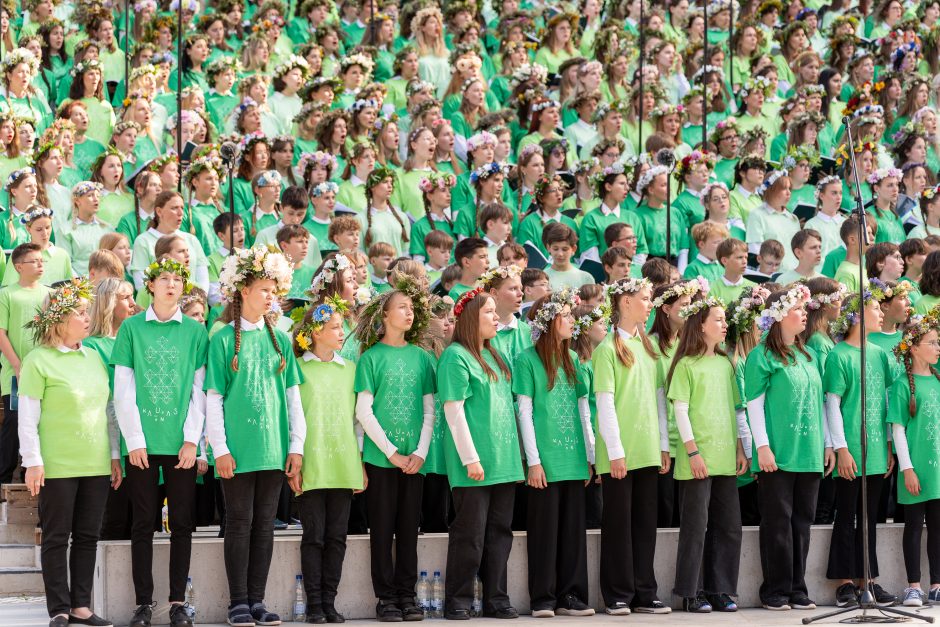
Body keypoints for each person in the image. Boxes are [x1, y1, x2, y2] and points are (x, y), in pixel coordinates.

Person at [204, 245, 305, 627]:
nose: (270, 296)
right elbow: (214, 399)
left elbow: (293, 398)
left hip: (274, 448)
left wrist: (296, 444)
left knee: (266, 524)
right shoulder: (222, 340)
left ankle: (258, 601)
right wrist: (222, 449)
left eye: (273, 290)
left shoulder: (280, 338)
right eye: (264, 289)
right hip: (238, 451)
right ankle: (238, 602)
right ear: (243, 290)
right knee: (239, 521)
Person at [112, 258, 209, 627]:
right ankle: (142, 603)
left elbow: (199, 390)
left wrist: (191, 440)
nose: (171, 284)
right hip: (142, 444)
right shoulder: (132, 329)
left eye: (178, 279)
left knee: (182, 522)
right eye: (164, 279)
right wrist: (134, 439)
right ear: (150, 285)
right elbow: (123, 389)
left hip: (180, 443)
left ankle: (177, 603)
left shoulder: (196, 333)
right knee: (142, 523)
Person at [18, 278, 119, 627]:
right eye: (79, 312)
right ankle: (59, 608)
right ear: (60, 320)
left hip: (95, 462)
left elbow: (109, 411)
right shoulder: (38, 360)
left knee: (89, 536)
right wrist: (32, 462)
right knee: (57, 536)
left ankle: (82, 606)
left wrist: (115, 456)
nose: (86, 317)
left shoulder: (94, 356)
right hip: (57, 465)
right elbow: (28, 416)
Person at [353, 277, 435, 621]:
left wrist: (419, 452)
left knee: (408, 532)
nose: (409, 312)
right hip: (381, 460)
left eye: (412, 308)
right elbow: (363, 411)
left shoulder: (422, 357)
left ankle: (407, 595)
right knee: (383, 530)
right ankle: (385, 598)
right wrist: (391, 453)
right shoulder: (371, 357)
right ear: (384, 314)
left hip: (414, 460)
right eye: (402, 306)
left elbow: (430, 410)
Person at [438, 289, 523, 620]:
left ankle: (496, 598)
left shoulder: (495, 353)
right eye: (489, 312)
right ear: (471, 317)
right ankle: (458, 599)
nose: (496, 317)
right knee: (469, 534)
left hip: (504, 460)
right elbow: (454, 411)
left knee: (500, 534)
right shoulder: (455, 356)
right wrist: (470, 458)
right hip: (475, 463)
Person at [744, 284, 829, 611]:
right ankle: (775, 590)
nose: (804, 315)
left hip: (808, 452)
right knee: (778, 522)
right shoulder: (761, 356)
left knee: (802, 523)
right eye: (797, 309)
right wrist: (762, 447)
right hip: (777, 454)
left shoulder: (807, 354)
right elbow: (754, 405)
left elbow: (820, 403)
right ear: (779, 316)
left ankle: (797, 587)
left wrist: (829, 444)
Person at [667, 295, 750, 613]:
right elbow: (681, 412)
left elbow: (736, 409)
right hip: (697, 460)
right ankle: (692, 591)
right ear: (699, 326)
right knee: (695, 526)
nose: (724, 324)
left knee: (729, 526)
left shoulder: (726, 363)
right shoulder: (686, 365)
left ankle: (722, 589)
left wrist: (742, 448)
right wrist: (692, 452)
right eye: (718, 319)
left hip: (726, 458)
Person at [514, 289, 594, 618]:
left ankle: (571, 597)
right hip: (544, 463)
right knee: (544, 533)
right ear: (550, 322)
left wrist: (590, 456)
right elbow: (524, 413)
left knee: (574, 532)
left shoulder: (573, 359)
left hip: (574, 461)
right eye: (567, 316)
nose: (573, 321)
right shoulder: (526, 360)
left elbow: (583, 411)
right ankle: (543, 599)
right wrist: (533, 461)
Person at [594, 277, 671, 615]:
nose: (649, 303)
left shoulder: (649, 347)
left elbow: (657, 400)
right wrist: (615, 451)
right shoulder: (607, 349)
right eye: (644, 298)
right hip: (620, 454)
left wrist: (663, 445)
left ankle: (645, 591)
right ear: (625, 302)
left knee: (644, 524)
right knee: (618, 525)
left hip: (647, 449)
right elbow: (605, 404)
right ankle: (617, 594)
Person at [823, 284, 897, 608]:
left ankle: (869, 579)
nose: (882, 313)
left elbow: (887, 399)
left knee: (870, 519)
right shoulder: (838, 355)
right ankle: (844, 583)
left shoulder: (880, 354)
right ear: (858, 316)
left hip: (877, 450)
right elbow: (833, 404)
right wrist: (841, 448)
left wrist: (891, 445)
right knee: (847, 515)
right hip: (850, 450)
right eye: (876, 309)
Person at [292, 296, 364, 624]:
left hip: (343, 462)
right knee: (314, 535)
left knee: (337, 536)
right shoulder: (297, 368)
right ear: (316, 332)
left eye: (343, 327)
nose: (342, 332)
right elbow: (292, 418)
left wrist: (360, 461)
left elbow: (357, 421)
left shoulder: (350, 369)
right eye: (335, 327)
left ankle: (330, 601)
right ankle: (314, 603)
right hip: (311, 463)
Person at [890, 314, 940, 607]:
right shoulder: (902, 385)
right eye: (932, 342)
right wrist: (907, 468)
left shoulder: (937, 380)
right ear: (914, 347)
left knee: (937, 527)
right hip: (915, 469)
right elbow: (898, 430)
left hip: (937, 470)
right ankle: (914, 586)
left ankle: (936, 584)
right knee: (913, 526)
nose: (937, 347)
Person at [0, 243, 52, 484]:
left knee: (42, 421)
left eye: (42, 261)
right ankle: (5, 476)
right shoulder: (7, 294)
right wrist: (18, 366)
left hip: (45, 371)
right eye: (34, 261)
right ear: (19, 266)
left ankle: (30, 473)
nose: (40, 265)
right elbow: (2, 333)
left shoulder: (50, 294)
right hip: (15, 373)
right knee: (13, 420)